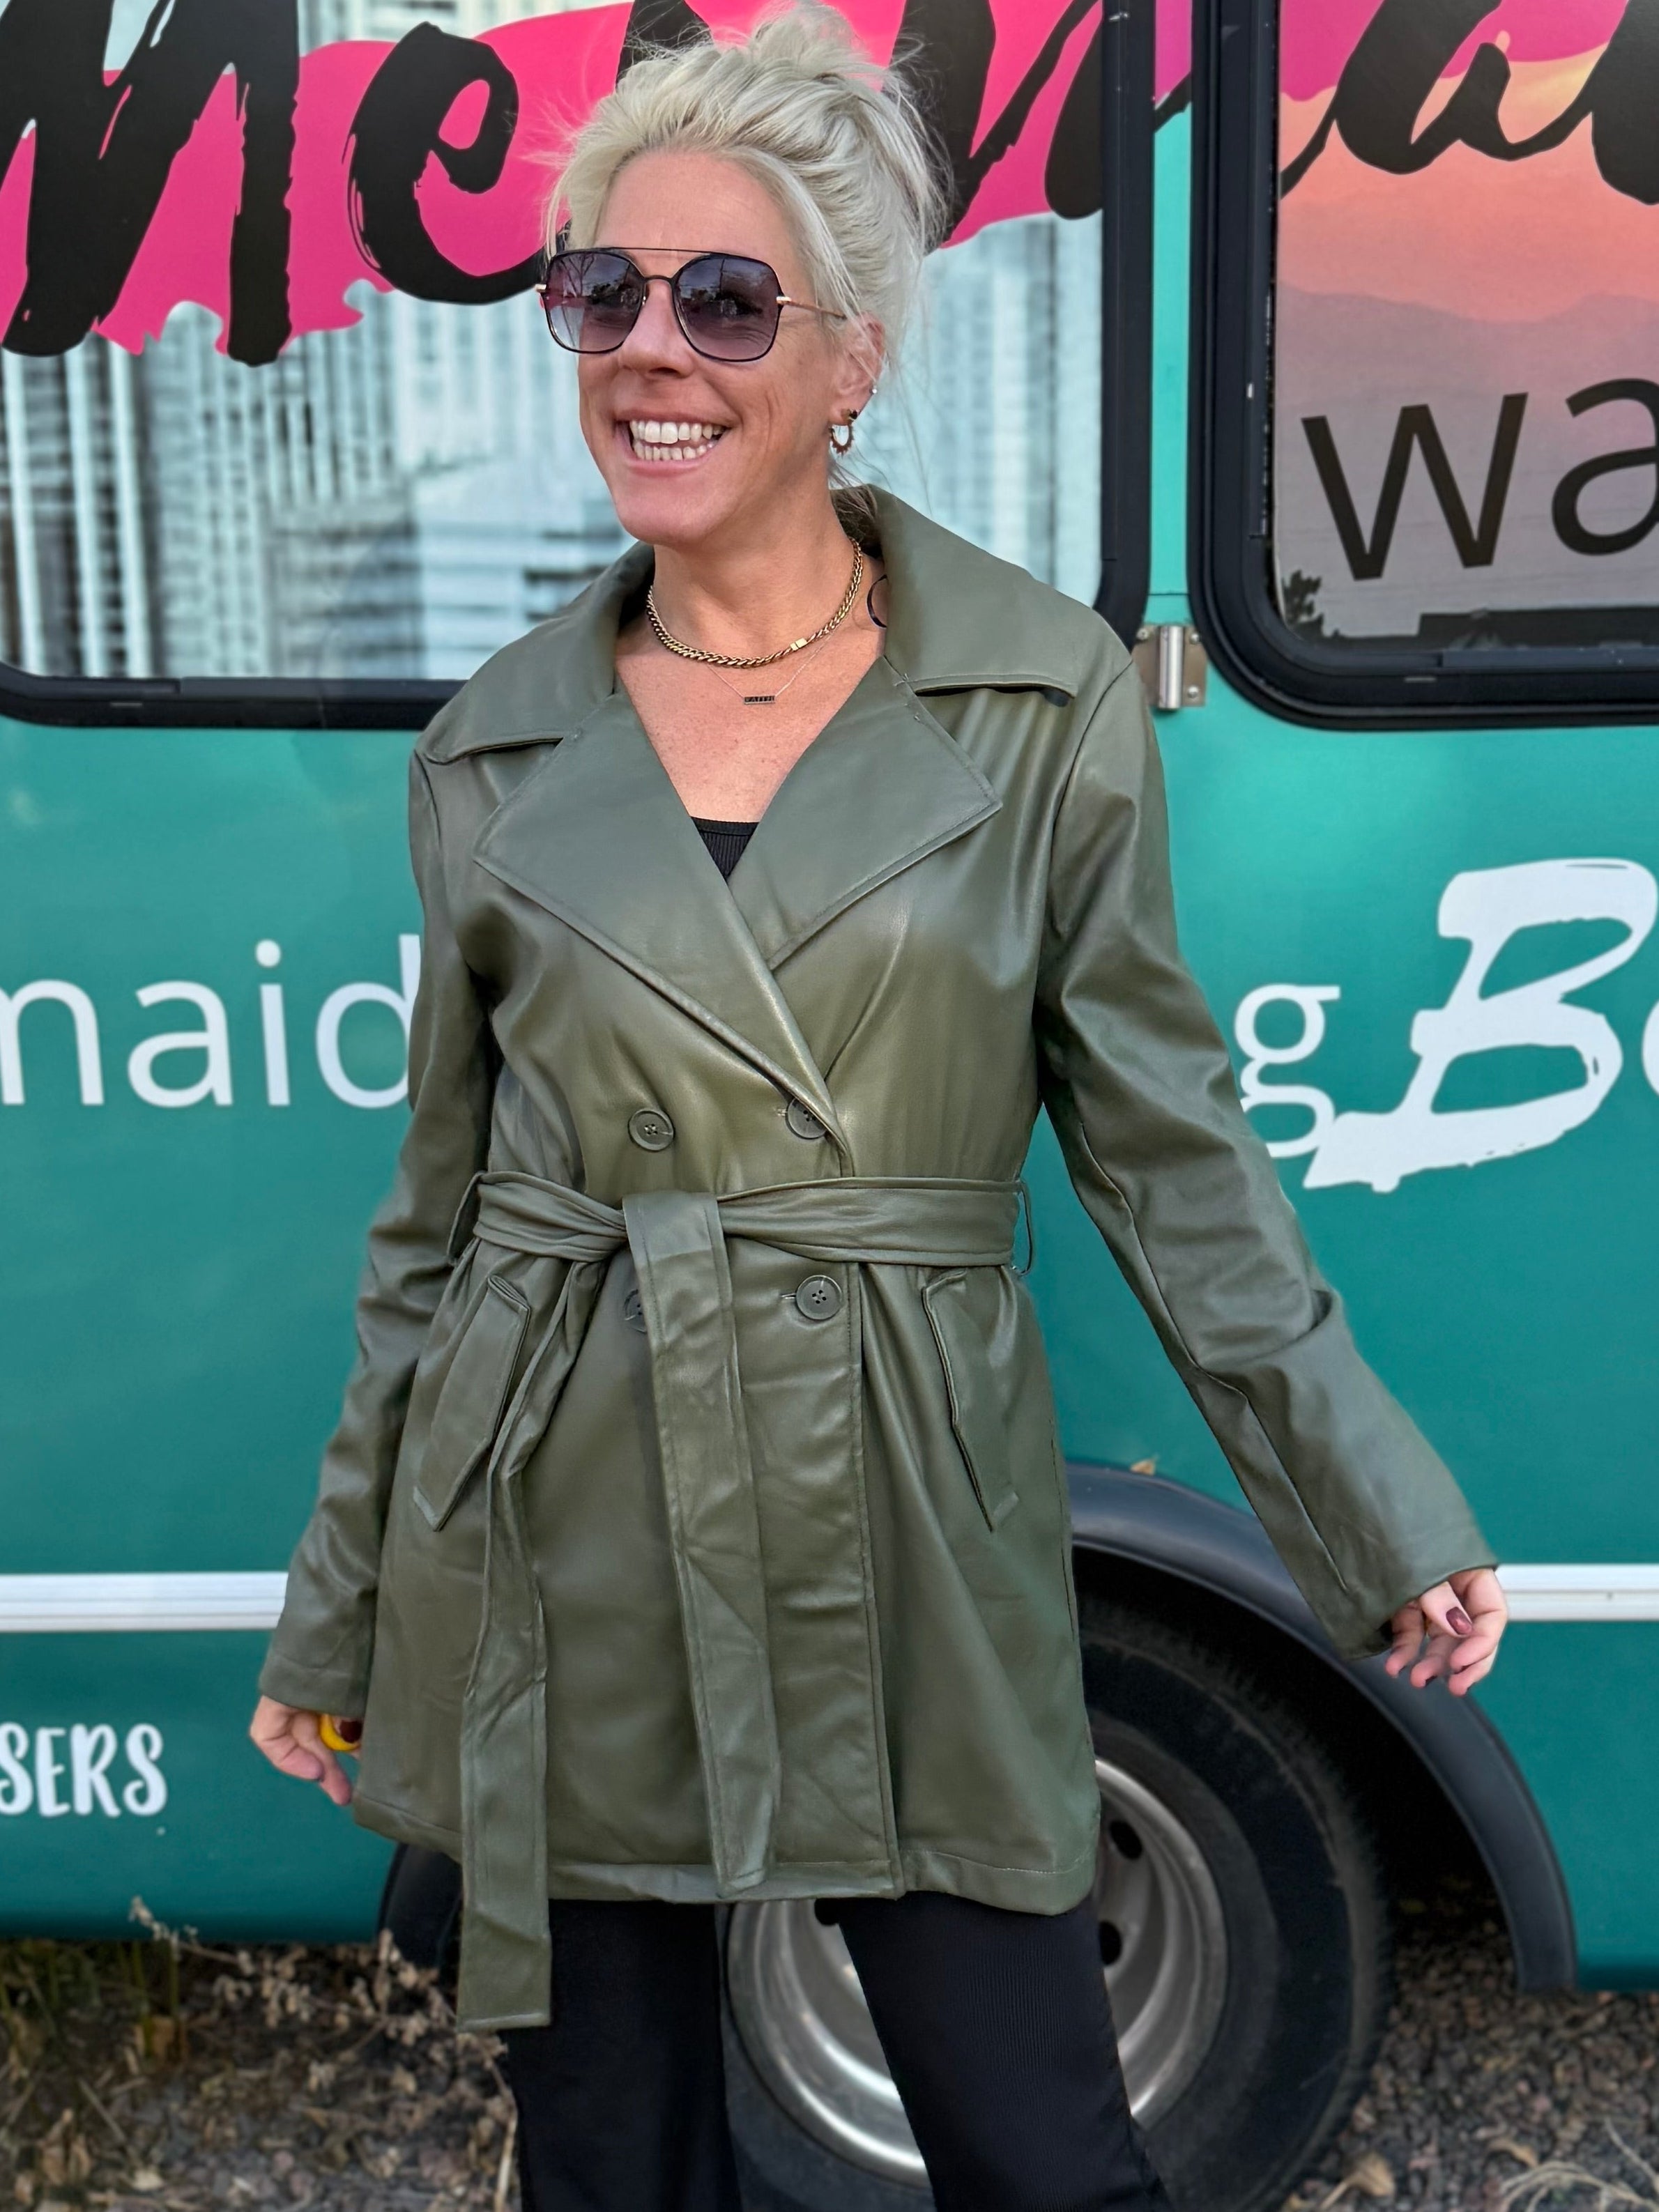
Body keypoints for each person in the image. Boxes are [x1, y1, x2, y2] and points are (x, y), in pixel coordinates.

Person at [250, 6, 1508, 2206]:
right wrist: (340, 1608)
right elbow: (433, 1234)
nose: (652, 348)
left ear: (848, 361)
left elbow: (1165, 1154)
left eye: (724, 299)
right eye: (599, 292)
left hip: (908, 1512)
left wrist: (1366, 1501)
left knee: (1044, 2149)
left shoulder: (1034, 701)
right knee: (616, 2161)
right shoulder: (493, 749)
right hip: (570, 1516)